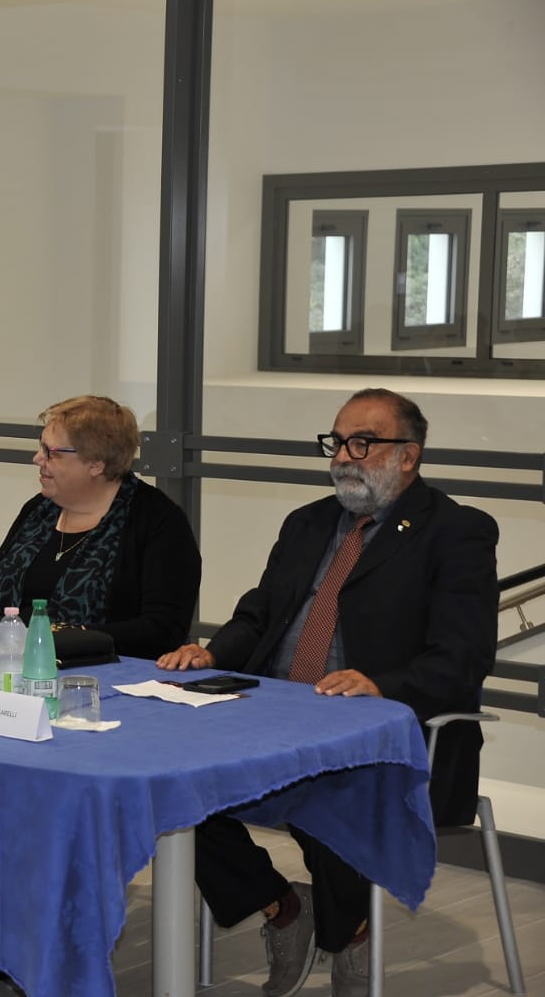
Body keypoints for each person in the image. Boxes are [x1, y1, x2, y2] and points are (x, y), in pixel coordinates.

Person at [156, 388, 498, 997]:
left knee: (325, 788)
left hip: (385, 733)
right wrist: (212, 653)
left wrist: (382, 685)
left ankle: (350, 933)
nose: (342, 457)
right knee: (167, 780)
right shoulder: (308, 522)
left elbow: (463, 655)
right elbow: (259, 614)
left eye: (361, 444)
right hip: (273, 711)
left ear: (408, 455)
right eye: (336, 442)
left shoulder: (456, 532)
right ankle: (281, 907)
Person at [0, 394, 199, 658]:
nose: (37, 459)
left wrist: (69, 638)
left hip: (101, 674)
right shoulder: (39, 510)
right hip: (5, 661)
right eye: (40, 447)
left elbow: (162, 630)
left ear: (96, 464)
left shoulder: (159, 522)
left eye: (51, 452)